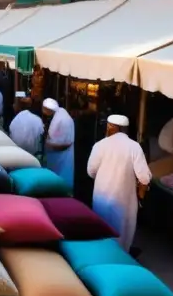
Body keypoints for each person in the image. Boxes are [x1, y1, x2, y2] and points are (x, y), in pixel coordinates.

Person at [87, 114, 152, 251]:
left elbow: (91, 171)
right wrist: (141, 195)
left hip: (101, 197)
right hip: (125, 201)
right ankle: (120, 261)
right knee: (122, 237)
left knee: (102, 232)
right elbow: (144, 178)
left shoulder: (99, 146)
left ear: (111, 127)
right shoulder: (134, 147)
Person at [42, 97, 75, 190]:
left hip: (61, 156)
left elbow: (66, 142)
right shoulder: (60, 114)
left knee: (60, 179)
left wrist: (49, 145)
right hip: (59, 156)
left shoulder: (60, 119)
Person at [9, 92, 44, 157]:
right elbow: (41, 134)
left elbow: (11, 136)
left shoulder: (14, 120)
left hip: (18, 154)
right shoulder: (37, 119)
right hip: (33, 155)